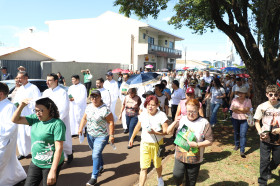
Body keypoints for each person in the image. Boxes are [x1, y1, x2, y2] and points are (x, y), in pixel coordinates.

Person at [11, 97, 65, 186]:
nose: (37, 113)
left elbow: (59, 148)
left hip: (49, 164)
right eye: (35, 110)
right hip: (36, 161)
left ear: (50, 110)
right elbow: (15, 120)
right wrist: (21, 106)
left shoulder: (57, 124)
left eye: (41, 110)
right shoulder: (35, 119)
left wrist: (53, 171)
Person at [167, 98, 213, 186]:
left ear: (198, 109)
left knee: (191, 182)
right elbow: (168, 131)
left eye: (194, 111)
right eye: (188, 111)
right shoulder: (182, 119)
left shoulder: (204, 122)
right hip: (180, 155)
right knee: (177, 175)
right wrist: (175, 121)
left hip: (194, 158)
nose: (191, 114)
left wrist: (197, 144)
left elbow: (210, 141)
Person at [129, 95, 168, 186]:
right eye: (148, 104)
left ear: (157, 105)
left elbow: (166, 132)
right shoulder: (143, 114)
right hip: (145, 144)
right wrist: (131, 138)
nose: (150, 107)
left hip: (157, 144)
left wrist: (155, 132)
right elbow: (138, 126)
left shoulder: (162, 115)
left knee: (157, 165)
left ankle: (159, 177)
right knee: (143, 167)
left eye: (153, 105)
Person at [78, 90, 115, 186]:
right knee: (96, 152)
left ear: (100, 97)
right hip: (90, 135)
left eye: (96, 97)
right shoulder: (89, 107)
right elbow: (84, 118)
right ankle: (100, 166)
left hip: (102, 135)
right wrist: (81, 128)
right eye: (92, 97)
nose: (94, 99)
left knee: (95, 155)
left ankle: (94, 177)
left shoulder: (105, 109)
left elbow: (111, 122)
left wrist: (111, 135)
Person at [42, 73, 73, 163]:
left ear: (56, 81)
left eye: (50, 80)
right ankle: (57, 159)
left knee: (64, 139)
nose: (47, 82)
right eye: (46, 80)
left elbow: (64, 108)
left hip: (59, 120)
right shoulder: (46, 92)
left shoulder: (62, 92)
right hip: (47, 120)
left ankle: (69, 153)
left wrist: (57, 119)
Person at [0, 82, 27, 185]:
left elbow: (10, 127)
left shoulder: (9, 107)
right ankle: (18, 178)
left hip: (5, 141)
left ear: (1, 94)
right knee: (9, 163)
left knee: (5, 162)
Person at [254, 85, 280, 185]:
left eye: (276, 94)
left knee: (277, 160)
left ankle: (269, 169)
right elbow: (257, 121)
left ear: (279, 95)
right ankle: (262, 182)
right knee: (264, 160)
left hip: (278, 140)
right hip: (265, 139)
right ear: (267, 95)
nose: (273, 96)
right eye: (271, 94)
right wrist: (260, 132)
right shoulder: (262, 107)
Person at [13, 71, 41, 160]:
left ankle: (35, 152)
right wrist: (17, 104)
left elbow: (37, 100)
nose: (18, 80)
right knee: (21, 135)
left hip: (30, 114)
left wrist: (27, 103)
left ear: (26, 78)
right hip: (21, 114)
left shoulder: (33, 88)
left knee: (31, 134)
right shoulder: (20, 89)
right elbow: (16, 100)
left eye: (20, 78)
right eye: (18, 78)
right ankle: (23, 152)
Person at [230, 86, 252, 158]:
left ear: (245, 94)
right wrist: (242, 110)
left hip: (245, 119)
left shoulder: (248, 101)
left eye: (242, 93)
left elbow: (246, 109)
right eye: (239, 93)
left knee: (243, 134)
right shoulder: (234, 99)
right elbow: (232, 109)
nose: (240, 94)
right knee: (236, 132)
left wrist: (237, 108)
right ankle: (237, 144)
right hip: (235, 118)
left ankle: (242, 150)